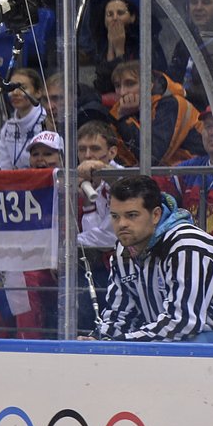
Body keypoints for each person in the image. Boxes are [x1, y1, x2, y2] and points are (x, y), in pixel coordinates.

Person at [86, 174, 213, 342]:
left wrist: (124, 342)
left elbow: (182, 323)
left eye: (132, 215)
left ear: (155, 215)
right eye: (115, 217)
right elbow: (119, 317)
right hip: (180, 338)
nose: (122, 224)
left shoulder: (188, 245)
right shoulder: (123, 250)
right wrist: (98, 339)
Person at [0, 130, 61, 339]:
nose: (41, 160)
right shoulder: (23, 191)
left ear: (62, 158)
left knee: (23, 280)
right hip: (26, 265)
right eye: (35, 154)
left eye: (48, 154)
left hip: (56, 270)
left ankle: (30, 347)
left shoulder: (70, 191)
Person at [75, 121, 125, 333]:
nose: (88, 155)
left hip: (121, 269)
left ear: (112, 152)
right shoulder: (76, 181)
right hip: (90, 265)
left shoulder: (123, 180)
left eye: (95, 149)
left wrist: (69, 243)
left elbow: (111, 237)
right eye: (82, 149)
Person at [109, 60, 205, 167]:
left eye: (130, 84)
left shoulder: (171, 104)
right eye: (117, 86)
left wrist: (125, 120)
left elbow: (151, 158)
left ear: (149, 85)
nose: (122, 92)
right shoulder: (118, 111)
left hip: (194, 173)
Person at [89, 0, 166, 98]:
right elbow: (103, 86)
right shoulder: (102, 45)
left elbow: (144, 79)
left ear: (132, 17)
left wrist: (120, 51)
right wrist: (111, 49)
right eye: (109, 14)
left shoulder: (145, 42)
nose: (115, 18)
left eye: (120, 13)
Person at [167, 0, 213, 112]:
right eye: (194, 2)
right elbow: (173, 74)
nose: (198, 7)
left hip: (208, 116)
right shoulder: (187, 38)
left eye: (206, 2)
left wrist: (183, 92)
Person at [0, 68, 48, 171]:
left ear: (38, 92)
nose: (15, 92)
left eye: (22, 87)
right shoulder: (7, 128)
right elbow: (4, 166)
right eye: (11, 88)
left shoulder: (48, 122)